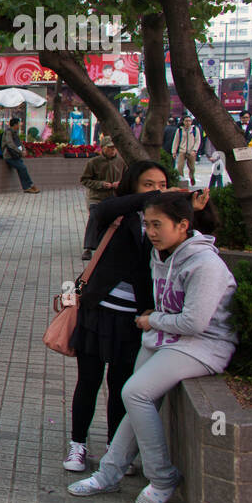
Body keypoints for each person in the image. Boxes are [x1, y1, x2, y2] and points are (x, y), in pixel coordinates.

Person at [69, 191, 235, 503]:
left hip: (203, 345)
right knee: (137, 399)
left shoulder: (205, 264)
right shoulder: (161, 254)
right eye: (147, 225)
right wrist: (155, 324)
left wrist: (151, 320)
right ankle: (109, 472)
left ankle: (162, 476)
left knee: (134, 393)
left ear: (183, 225)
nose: (151, 232)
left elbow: (196, 323)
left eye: (158, 225)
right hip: (165, 337)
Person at [62, 161, 168, 473]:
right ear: (134, 185)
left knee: (121, 384)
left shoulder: (163, 221)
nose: (156, 190)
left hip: (136, 317)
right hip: (98, 310)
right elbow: (98, 214)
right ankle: (77, 445)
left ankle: (114, 448)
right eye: (149, 184)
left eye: (162, 184)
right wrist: (149, 200)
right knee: (89, 381)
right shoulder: (118, 211)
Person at [79, 135, 126, 260]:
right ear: (103, 148)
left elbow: (127, 178)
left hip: (113, 196)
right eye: (110, 148)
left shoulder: (121, 162)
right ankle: (88, 247)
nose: (113, 150)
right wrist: (100, 184)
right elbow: (84, 180)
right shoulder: (93, 163)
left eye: (114, 148)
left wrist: (119, 184)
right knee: (94, 217)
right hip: (96, 197)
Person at [1, 117, 39, 193]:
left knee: (21, 169)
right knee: (23, 168)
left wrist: (24, 149)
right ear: (15, 125)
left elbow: (20, 143)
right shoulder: (8, 132)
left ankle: (26, 187)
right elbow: (10, 144)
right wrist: (20, 152)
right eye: (18, 124)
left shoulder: (15, 132)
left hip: (15, 155)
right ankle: (30, 185)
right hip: (9, 156)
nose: (19, 125)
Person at [170, 116, 201, 188]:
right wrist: (174, 151)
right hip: (182, 151)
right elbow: (176, 141)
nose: (188, 122)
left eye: (189, 121)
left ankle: (192, 177)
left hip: (191, 152)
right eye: (186, 121)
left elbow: (197, 141)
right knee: (180, 168)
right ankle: (182, 182)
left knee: (192, 168)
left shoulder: (195, 129)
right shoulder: (179, 130)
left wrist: (194, 150)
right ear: (183, 122)